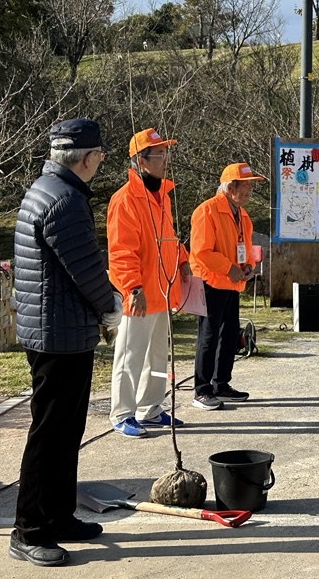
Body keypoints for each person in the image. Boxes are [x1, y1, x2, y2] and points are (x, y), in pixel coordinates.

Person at [11, 119, 121, 567]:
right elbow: (87, 268)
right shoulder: (66, 201)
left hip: (54, 329)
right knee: (50, 433)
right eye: (100, 157)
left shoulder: (44, 188)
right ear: (89, 158)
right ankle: (29, 529)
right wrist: (110, 305)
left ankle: (59, 515)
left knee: (66, 429)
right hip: (57, 334)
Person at [106, 128, 190, 438]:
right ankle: (122, 413)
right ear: (141, 161)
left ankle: (151, 407)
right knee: (130, 355)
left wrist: (182, 260)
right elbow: (121, 251)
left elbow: (167, 239)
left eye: (166, 152)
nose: (166, 158)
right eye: (160, 154)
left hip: (162, 292)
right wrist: (133, 288)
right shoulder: (125, 200)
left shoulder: (162, 196)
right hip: (140, 294)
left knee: (157, 358)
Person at [189, 162, 263, 409]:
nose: (250, 191)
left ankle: (221, 384)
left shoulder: (242, 215)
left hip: (232, 283)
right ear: (231, 187)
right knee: (208, 336)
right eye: (246, 185)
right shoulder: (206, 211)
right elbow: (201, 252)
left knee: (229, 334)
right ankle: (201, 389)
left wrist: (248, 265)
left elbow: (246, 248)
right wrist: (229, 268)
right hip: (211, 282)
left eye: (251, 186)